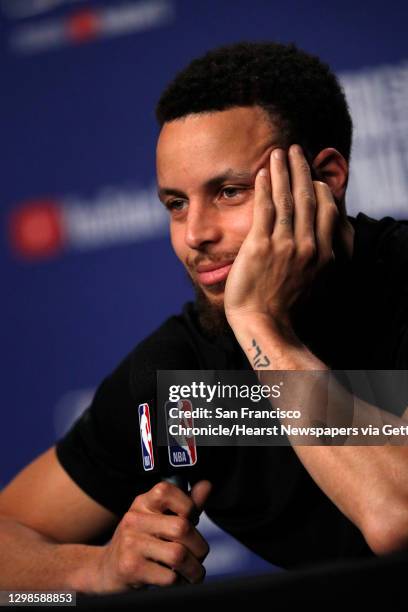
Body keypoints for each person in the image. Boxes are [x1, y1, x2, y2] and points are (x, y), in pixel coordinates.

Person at [1, 41, 408, 593]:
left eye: (230, 191)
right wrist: (92, 569)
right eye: (176, 204)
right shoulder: (178, 375)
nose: (195, 235)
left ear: (327, 178)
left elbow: (397, 518)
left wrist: (262, 327)